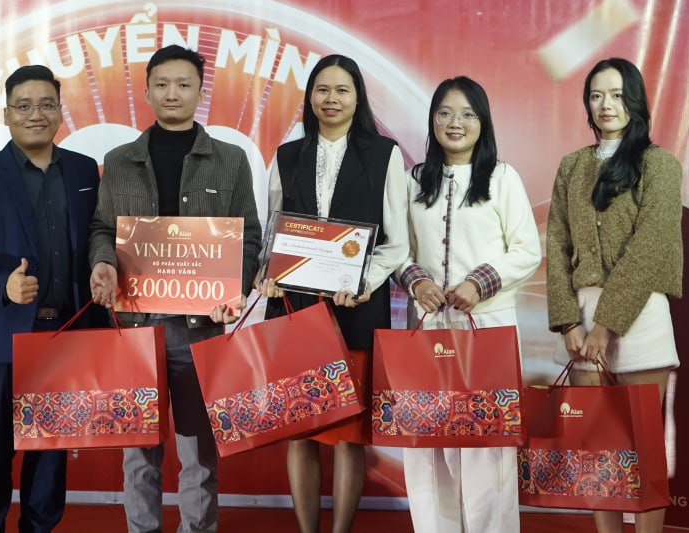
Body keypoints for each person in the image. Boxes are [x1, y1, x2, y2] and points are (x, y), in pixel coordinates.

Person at [88, 45, 262, 533]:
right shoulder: (119, 160)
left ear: (200, 92)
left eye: (184, 84)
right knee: (138, 450)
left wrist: (234, 286)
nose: (172, 93)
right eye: (162, 84)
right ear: (146, 91)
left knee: (199, 452)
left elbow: (249, 235)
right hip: (136, 327)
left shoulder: (230, 160)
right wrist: (102, 263)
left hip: (200, 328)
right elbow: (102, 227)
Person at [0, 65, 101, 533]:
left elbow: (97, 235)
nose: (36, 114)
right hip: (0, 333)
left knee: (50, 446)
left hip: (65, 332)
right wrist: (0, 283)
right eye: (24, 106)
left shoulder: (84, 170)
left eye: (46, 104)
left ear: (60, 112)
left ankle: (39, 527)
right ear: (7, 114)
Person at [261, 54, 409, 533]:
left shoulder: (384, 155)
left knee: (349, 435)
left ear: (358, 98)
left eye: (342, 90)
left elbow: (398, 243)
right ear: (309, 98)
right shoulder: (288, 155)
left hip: (356, 308)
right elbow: (272, 232)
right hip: (296, 308)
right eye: (322, 89)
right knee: (299, 431)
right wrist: (267, 274)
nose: (331, 99)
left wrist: (364, 283)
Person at [398, 76, 541, 533]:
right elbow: (395, 249)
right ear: (432, 120)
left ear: (483, 122)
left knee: (487, 444)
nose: (454, 122)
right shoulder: (413, 180)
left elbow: (527, 250)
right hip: (427, 326)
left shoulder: (502, 177)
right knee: (429, 441)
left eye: (466, 114)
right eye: (444, 113)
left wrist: (480, 283)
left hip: (487, 326)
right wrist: (417, 280)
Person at [546, 57, 683, 533]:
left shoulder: (659, 164)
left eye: (618, 95)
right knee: (597, 447)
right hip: (581, 319)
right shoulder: (572, 166)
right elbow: (557, 244)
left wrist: (605, 327)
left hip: (640, 314)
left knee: (643, 446)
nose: (606, 105)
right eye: (597, 95)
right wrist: (568, 322)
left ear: (636, 101)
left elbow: (650, 246)